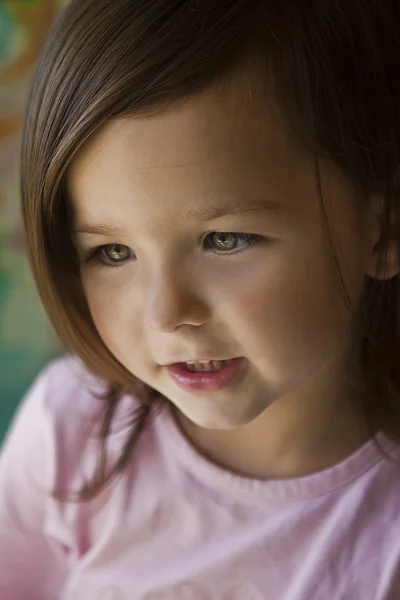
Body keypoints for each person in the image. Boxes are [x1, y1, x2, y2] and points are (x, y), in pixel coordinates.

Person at [1, 0, 400, 598]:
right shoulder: (70, 432)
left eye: (225, 239)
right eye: (112, 253)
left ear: (385, 228)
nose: (166, 314)